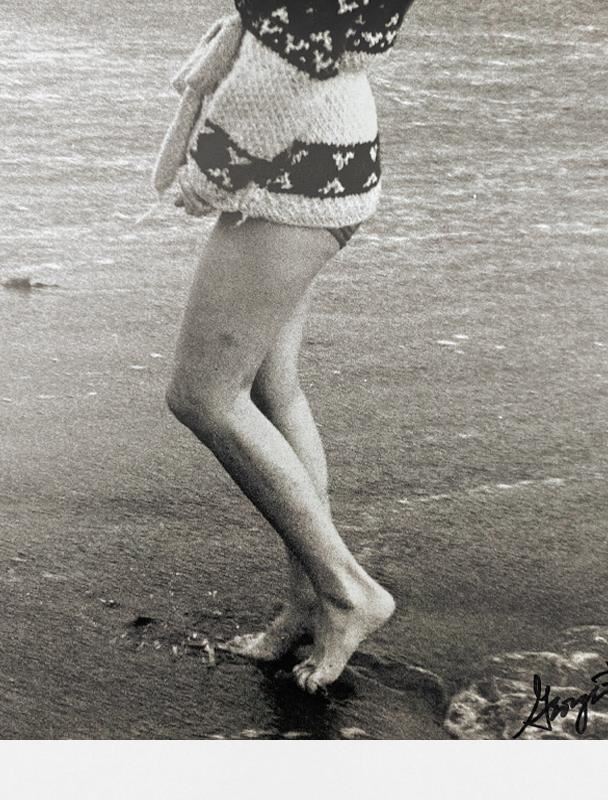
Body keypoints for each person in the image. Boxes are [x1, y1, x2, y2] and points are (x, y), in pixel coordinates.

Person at [156, 0, 416, 694]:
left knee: (203, 396)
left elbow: (274, 80)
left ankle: (349, 592)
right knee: (273, 388)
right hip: (327, 152)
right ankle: (307, 603)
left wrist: (206, 179)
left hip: (293, 173)